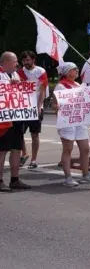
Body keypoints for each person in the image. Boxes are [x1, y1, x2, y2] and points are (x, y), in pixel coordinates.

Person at [53, 62, 90, 186]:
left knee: (85, 148)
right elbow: (54, 104)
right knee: (68, 149)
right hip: (67, 122)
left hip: (80, 120)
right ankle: (68, 177)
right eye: (75, 69)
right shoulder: (60, 87)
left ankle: (85, 174)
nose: (77, 70)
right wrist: (57, 106)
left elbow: (84, 100)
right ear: (68, 72)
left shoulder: (78, 85)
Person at [0, 51, 32, 191]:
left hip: (16, 117)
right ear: (6, 62)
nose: (17, 64)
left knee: (16, 149)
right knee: (2, 151)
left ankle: (15, 179)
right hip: (3, 120)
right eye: (15, 62)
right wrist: (9, 85)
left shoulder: (15, 74)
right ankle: (0, 180)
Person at [17, 50, 48, 169]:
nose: (25, 62)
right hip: (23, 107)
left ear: (33, 59)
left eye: (28, 60)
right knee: (19, 133)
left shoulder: (40, 72)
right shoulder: (19, 73)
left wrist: (39, 106)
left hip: (35, 107)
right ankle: (24, 154)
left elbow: (43, 90)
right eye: (24, 60)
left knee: (34, 134)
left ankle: (33, 160)